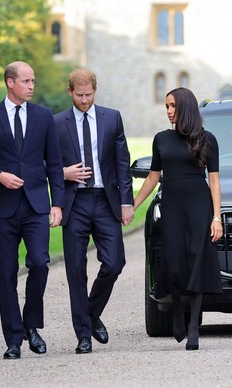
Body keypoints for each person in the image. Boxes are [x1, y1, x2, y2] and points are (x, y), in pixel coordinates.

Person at [0, 61, 64, 359]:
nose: (32, 86)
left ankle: (31, 325)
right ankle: (13, 339)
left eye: (33, 80)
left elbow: (56, 164)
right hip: (1, 208)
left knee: (39, 262)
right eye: (26, 81)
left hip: (36, 205)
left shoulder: (43, 116)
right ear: (10, 82)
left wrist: (57, 202)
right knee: (5, 273)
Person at [133, 87, 223, 351]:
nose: (169, 111)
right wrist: (133, 205)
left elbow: (214, 180)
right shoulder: (161, 139)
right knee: (172, 262)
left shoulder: (207, 139)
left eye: (172, 106)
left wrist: (216, 217)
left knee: (197, 258)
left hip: (198, 205)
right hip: (171, 203)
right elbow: (152, 176)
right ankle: (176, 314)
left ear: (185, 108)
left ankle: (194, 325)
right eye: (166, 107)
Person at [54, 68, 134, 354]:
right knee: (76, 270)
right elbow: (44, 164)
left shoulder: (111, 118)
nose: (84, 100)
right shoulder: (57, 123)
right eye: (79, 95)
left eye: (89, 95)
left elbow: (122, 163)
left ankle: (90, 311)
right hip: (74, 204)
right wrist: (64, 173)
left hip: (105, 200)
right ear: (70, 91)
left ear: (95, 91)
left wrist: (127, 202)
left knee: (115, 263)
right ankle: (83, 335)